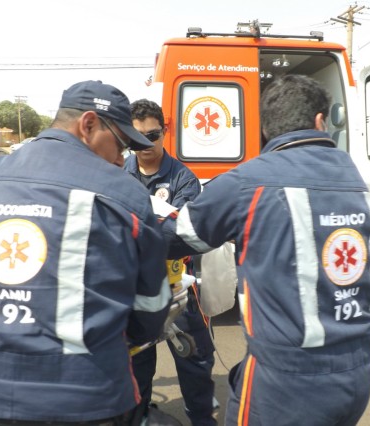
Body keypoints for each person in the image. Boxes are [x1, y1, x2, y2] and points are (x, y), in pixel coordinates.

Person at [0, 80, 172, 425]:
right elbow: (149, 309)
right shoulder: (125, 195)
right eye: (120, 144)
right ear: (89, 124)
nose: (120, 158)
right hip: (84, 396)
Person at [161, 75, 370, 426]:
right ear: (319, 121)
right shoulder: (353, 176)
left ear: (265, 129)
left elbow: (178, 237)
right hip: (356, 369)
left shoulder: (247, 182)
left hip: (285, 382)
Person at [124, 99, 216, 426]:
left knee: (194, 362)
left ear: (164, 132)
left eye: (153, 134)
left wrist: (133, 230)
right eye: (137, 136)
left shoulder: (184, 179)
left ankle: (202, 419)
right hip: (134, 291)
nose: (146, 143)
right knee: (137, 367)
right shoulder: (120, 174)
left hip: (178, 289)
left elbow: (180, 236)